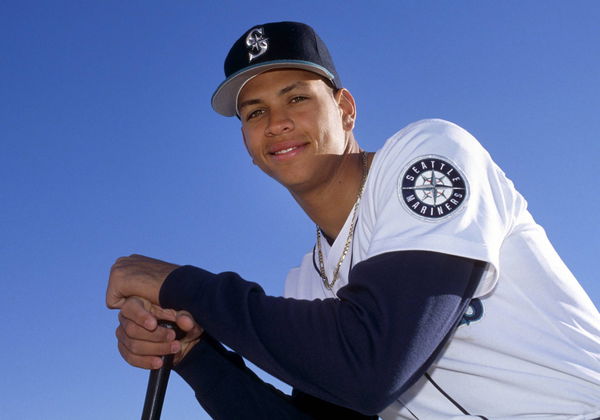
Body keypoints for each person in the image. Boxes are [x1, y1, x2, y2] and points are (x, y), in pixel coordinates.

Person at [107, 21, 600, 419]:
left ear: (344, 110)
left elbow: (371, 366)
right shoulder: (304, 284)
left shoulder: (425, 153)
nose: (276, 122)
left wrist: (182, 286)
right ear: (249, 146)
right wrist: (194, 354)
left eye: (296, 97)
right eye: (254, 113)